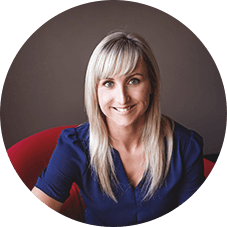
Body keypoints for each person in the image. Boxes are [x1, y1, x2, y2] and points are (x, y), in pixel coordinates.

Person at [31, 31, 205, 226]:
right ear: (95, 92)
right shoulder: (74, 146)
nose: (122, 98)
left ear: (152, 84)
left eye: (133, 81)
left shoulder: (185, 146)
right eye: (108, 83)